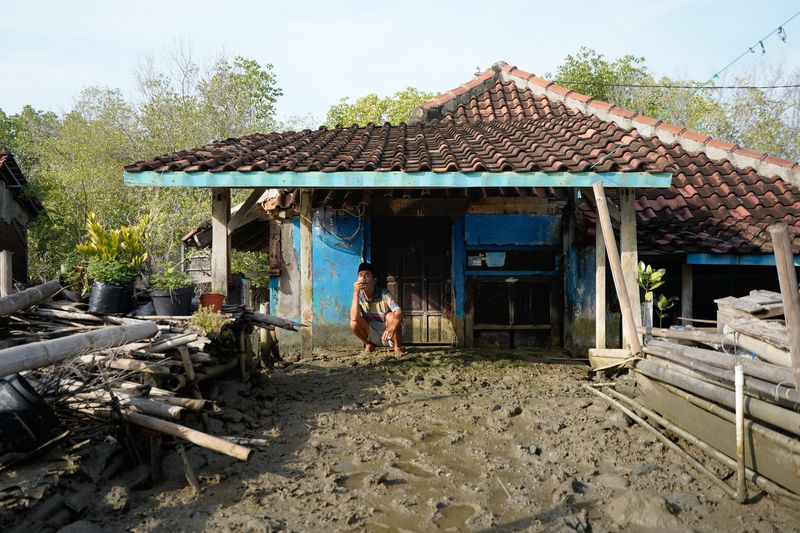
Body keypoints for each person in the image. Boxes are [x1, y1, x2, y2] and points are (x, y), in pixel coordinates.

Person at [349, 261, 404, 354]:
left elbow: (399, 313)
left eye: (367, 275)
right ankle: (368, 344)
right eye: (360, 275)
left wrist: (391, 328)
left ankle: (397, 347)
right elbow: (354, 317)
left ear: (374, 281)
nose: (363, 279)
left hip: (390, 334)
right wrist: (355, 293)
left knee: (391, 315)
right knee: (353, 322)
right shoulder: (358, 296)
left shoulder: (384, 294)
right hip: (373, 335)